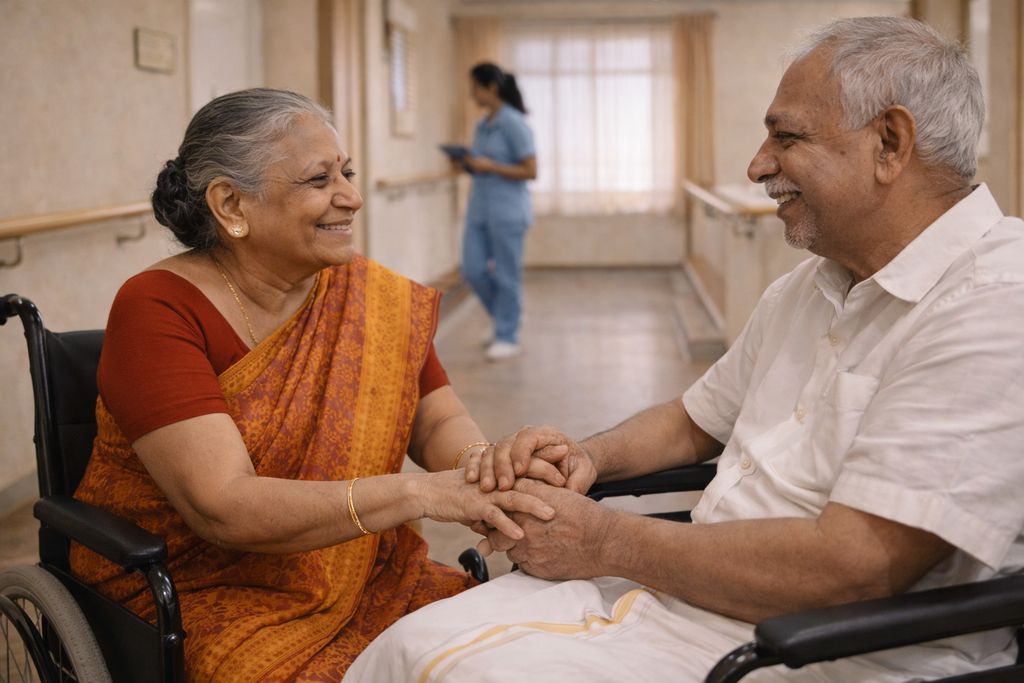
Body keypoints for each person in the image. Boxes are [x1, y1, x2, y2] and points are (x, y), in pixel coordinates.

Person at [344, 17, 1024, 682]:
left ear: (891, 142)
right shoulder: (809, 287)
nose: (758, 165)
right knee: (407, 646)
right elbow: (692, 418)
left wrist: (605, 540)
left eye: (787, 137)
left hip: (823, 649)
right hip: (691, 593)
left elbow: (853, 568)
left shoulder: (994, 304)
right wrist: (587, 456)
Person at [69, 88, 564, 681]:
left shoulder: (369, 295)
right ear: (230, 203)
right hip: (203, 588)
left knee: (500, 655)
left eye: (346, 173)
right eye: (318, 179)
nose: (351, 197)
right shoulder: (158, 308)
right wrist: (420, 493)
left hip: (369, 574)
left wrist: (486, 471)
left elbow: (435, 419)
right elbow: (222, 506)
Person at [459, 62, 537, 361]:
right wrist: (468, 162)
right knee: (473, 270)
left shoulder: (514, 123)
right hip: (479, 209)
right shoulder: (483, 124)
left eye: (475, 87)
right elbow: (482, 164)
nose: (472, 94)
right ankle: (507, 316)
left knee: (506, 275)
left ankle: (507, 334)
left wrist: (491, 166)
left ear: (491, 87)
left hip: (508, 212)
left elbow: (531, 170)